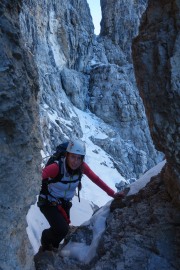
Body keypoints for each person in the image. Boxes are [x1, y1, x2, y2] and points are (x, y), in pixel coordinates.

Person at [37, 139, 124, 252]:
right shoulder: (56, 167)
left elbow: (96, 180)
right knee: (61, 229)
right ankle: (46, 243)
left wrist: (113, 194)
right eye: (73, 157)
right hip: (48, 201)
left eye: (79, 158)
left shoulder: (82, 167)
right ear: (67, 155)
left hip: (64, 203)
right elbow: (38, 177)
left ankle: (53, 248)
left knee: (63, 229)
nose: (75, 161)